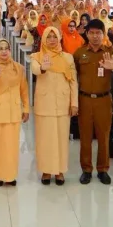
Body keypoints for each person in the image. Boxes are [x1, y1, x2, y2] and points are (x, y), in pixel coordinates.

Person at [73, 19, 113, 185]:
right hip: (84, 99)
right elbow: (73, 77)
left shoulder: (110, 52)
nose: (95, 36)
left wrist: (111, 65)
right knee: (85, 137)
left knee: (103, 136)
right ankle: (86, 169)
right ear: (86, 34)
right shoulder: (79, 53)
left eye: (98, 33)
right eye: (91, 33)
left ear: (103, 34)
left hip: (104, 99)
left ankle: (103, 169)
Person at [31, 27, 78, 185]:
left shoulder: (68, 58)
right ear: (44, 39)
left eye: (54, 36)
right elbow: (35, 69)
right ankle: (46, 170)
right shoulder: (37, 56)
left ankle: (59, 171)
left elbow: (73, 81)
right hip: (45, 104)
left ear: (59, 38)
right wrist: (42, 68)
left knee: (61, 139)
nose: (52, 40)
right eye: (48, 37)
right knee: (45, 139)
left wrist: (74, 103)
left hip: (63, 103)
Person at [0, 39, 29, 187]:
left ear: (10, 50)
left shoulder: (18, 68)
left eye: (6, 48)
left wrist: (26, 108)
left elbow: (24, 90)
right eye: (0, 48)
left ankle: (10, 175)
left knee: (11, 146)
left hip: (13, 111)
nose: (4, 51)